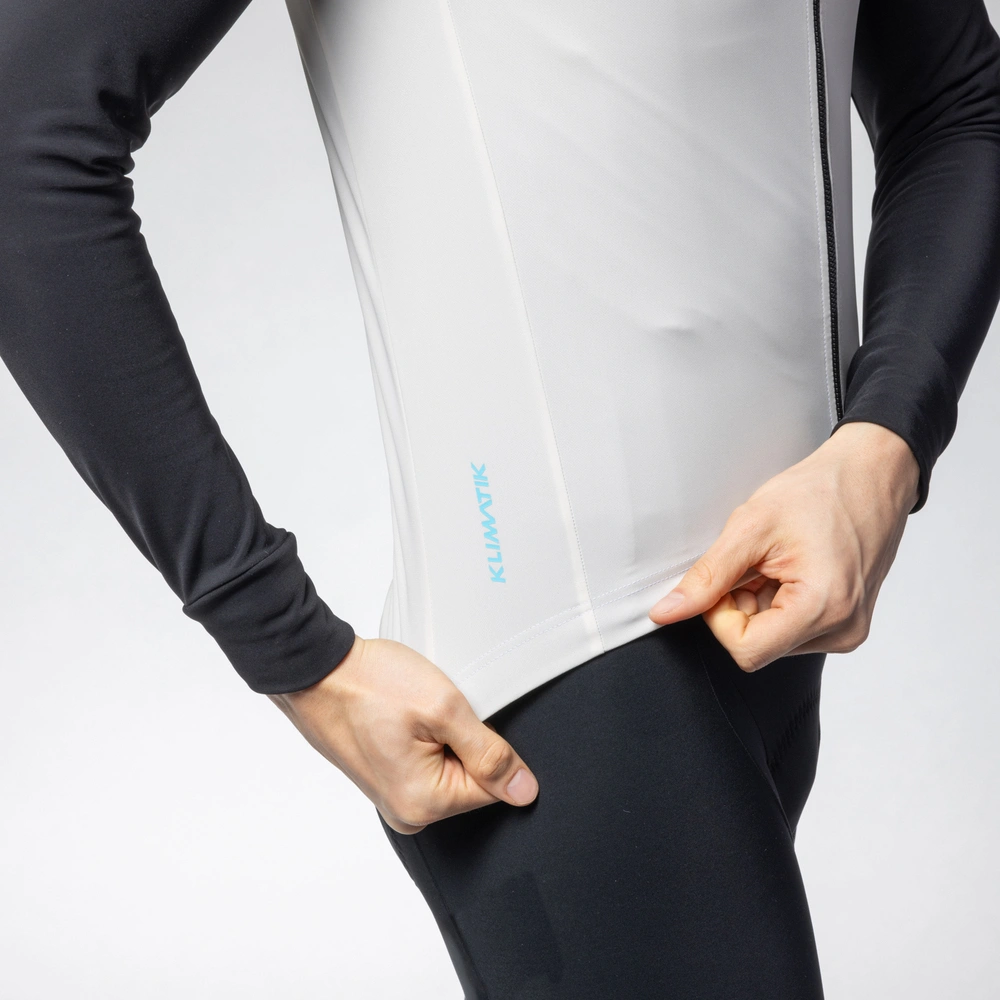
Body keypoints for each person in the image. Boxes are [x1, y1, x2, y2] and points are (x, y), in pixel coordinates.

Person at [2, 0, 999, 995]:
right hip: (554, 676)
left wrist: (882, 444)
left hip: (773, 647)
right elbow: (23, 132)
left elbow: (959, 100)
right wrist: (286, 643)